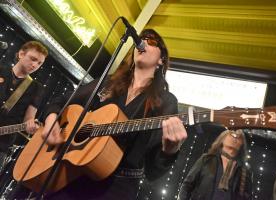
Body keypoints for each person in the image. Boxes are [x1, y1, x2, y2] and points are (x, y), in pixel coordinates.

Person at [41, 29, 187, 199]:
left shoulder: (166, 100)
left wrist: (170, 150)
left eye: (152, 42)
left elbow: (153, 171)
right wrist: (52, 120)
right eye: (141, 40)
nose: (144, 43)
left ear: (161, 60)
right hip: (74, 171)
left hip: (118, 186)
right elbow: (61, 101)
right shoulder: (108, 82)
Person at [0, 41, 48, 194]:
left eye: (39, 63)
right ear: (21, 54)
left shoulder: (36, 88)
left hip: (2, 142)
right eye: (33, 59)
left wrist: (31, 125)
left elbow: (29, 117)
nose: (35, 65)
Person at [178, 129, 252, 200]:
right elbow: (187, 186)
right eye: (232, 134)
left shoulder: (244, 171)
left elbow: (247, 197)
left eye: (239, 137)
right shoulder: (206, 159)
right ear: (223, 138)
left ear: (242, 143)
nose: (235, 138)